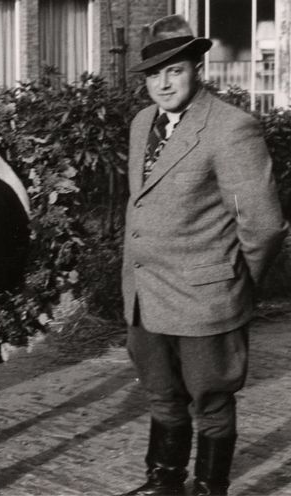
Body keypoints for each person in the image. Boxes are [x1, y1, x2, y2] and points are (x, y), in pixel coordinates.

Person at [120, 15, 287, 496]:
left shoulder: (231, 128)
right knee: (161, 395)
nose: (163, 83)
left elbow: (262, 222)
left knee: (210, 401)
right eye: (153, 74)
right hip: (145, 296)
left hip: (205, 298)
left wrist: (233, 280)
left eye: (174, 70)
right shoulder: (140, 125)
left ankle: (211, 487)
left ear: (197, 68)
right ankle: (163, 482)